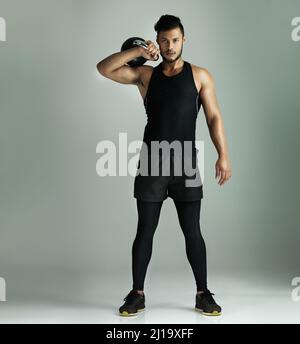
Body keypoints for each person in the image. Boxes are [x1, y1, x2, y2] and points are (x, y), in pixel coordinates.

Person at [96, 14, 232, 317]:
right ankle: (137, 294)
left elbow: (213, 118)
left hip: (186, 165)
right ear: (156, 42)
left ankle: (203, 293)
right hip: (152, 165)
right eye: (163, 40)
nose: (169, 45)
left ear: (183, 40)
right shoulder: (146, 75)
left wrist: (223, 154)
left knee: (192, 231)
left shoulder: (200, 76)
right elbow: (104, 69)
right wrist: (138, 53)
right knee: (145, 230)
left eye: (174, 39)